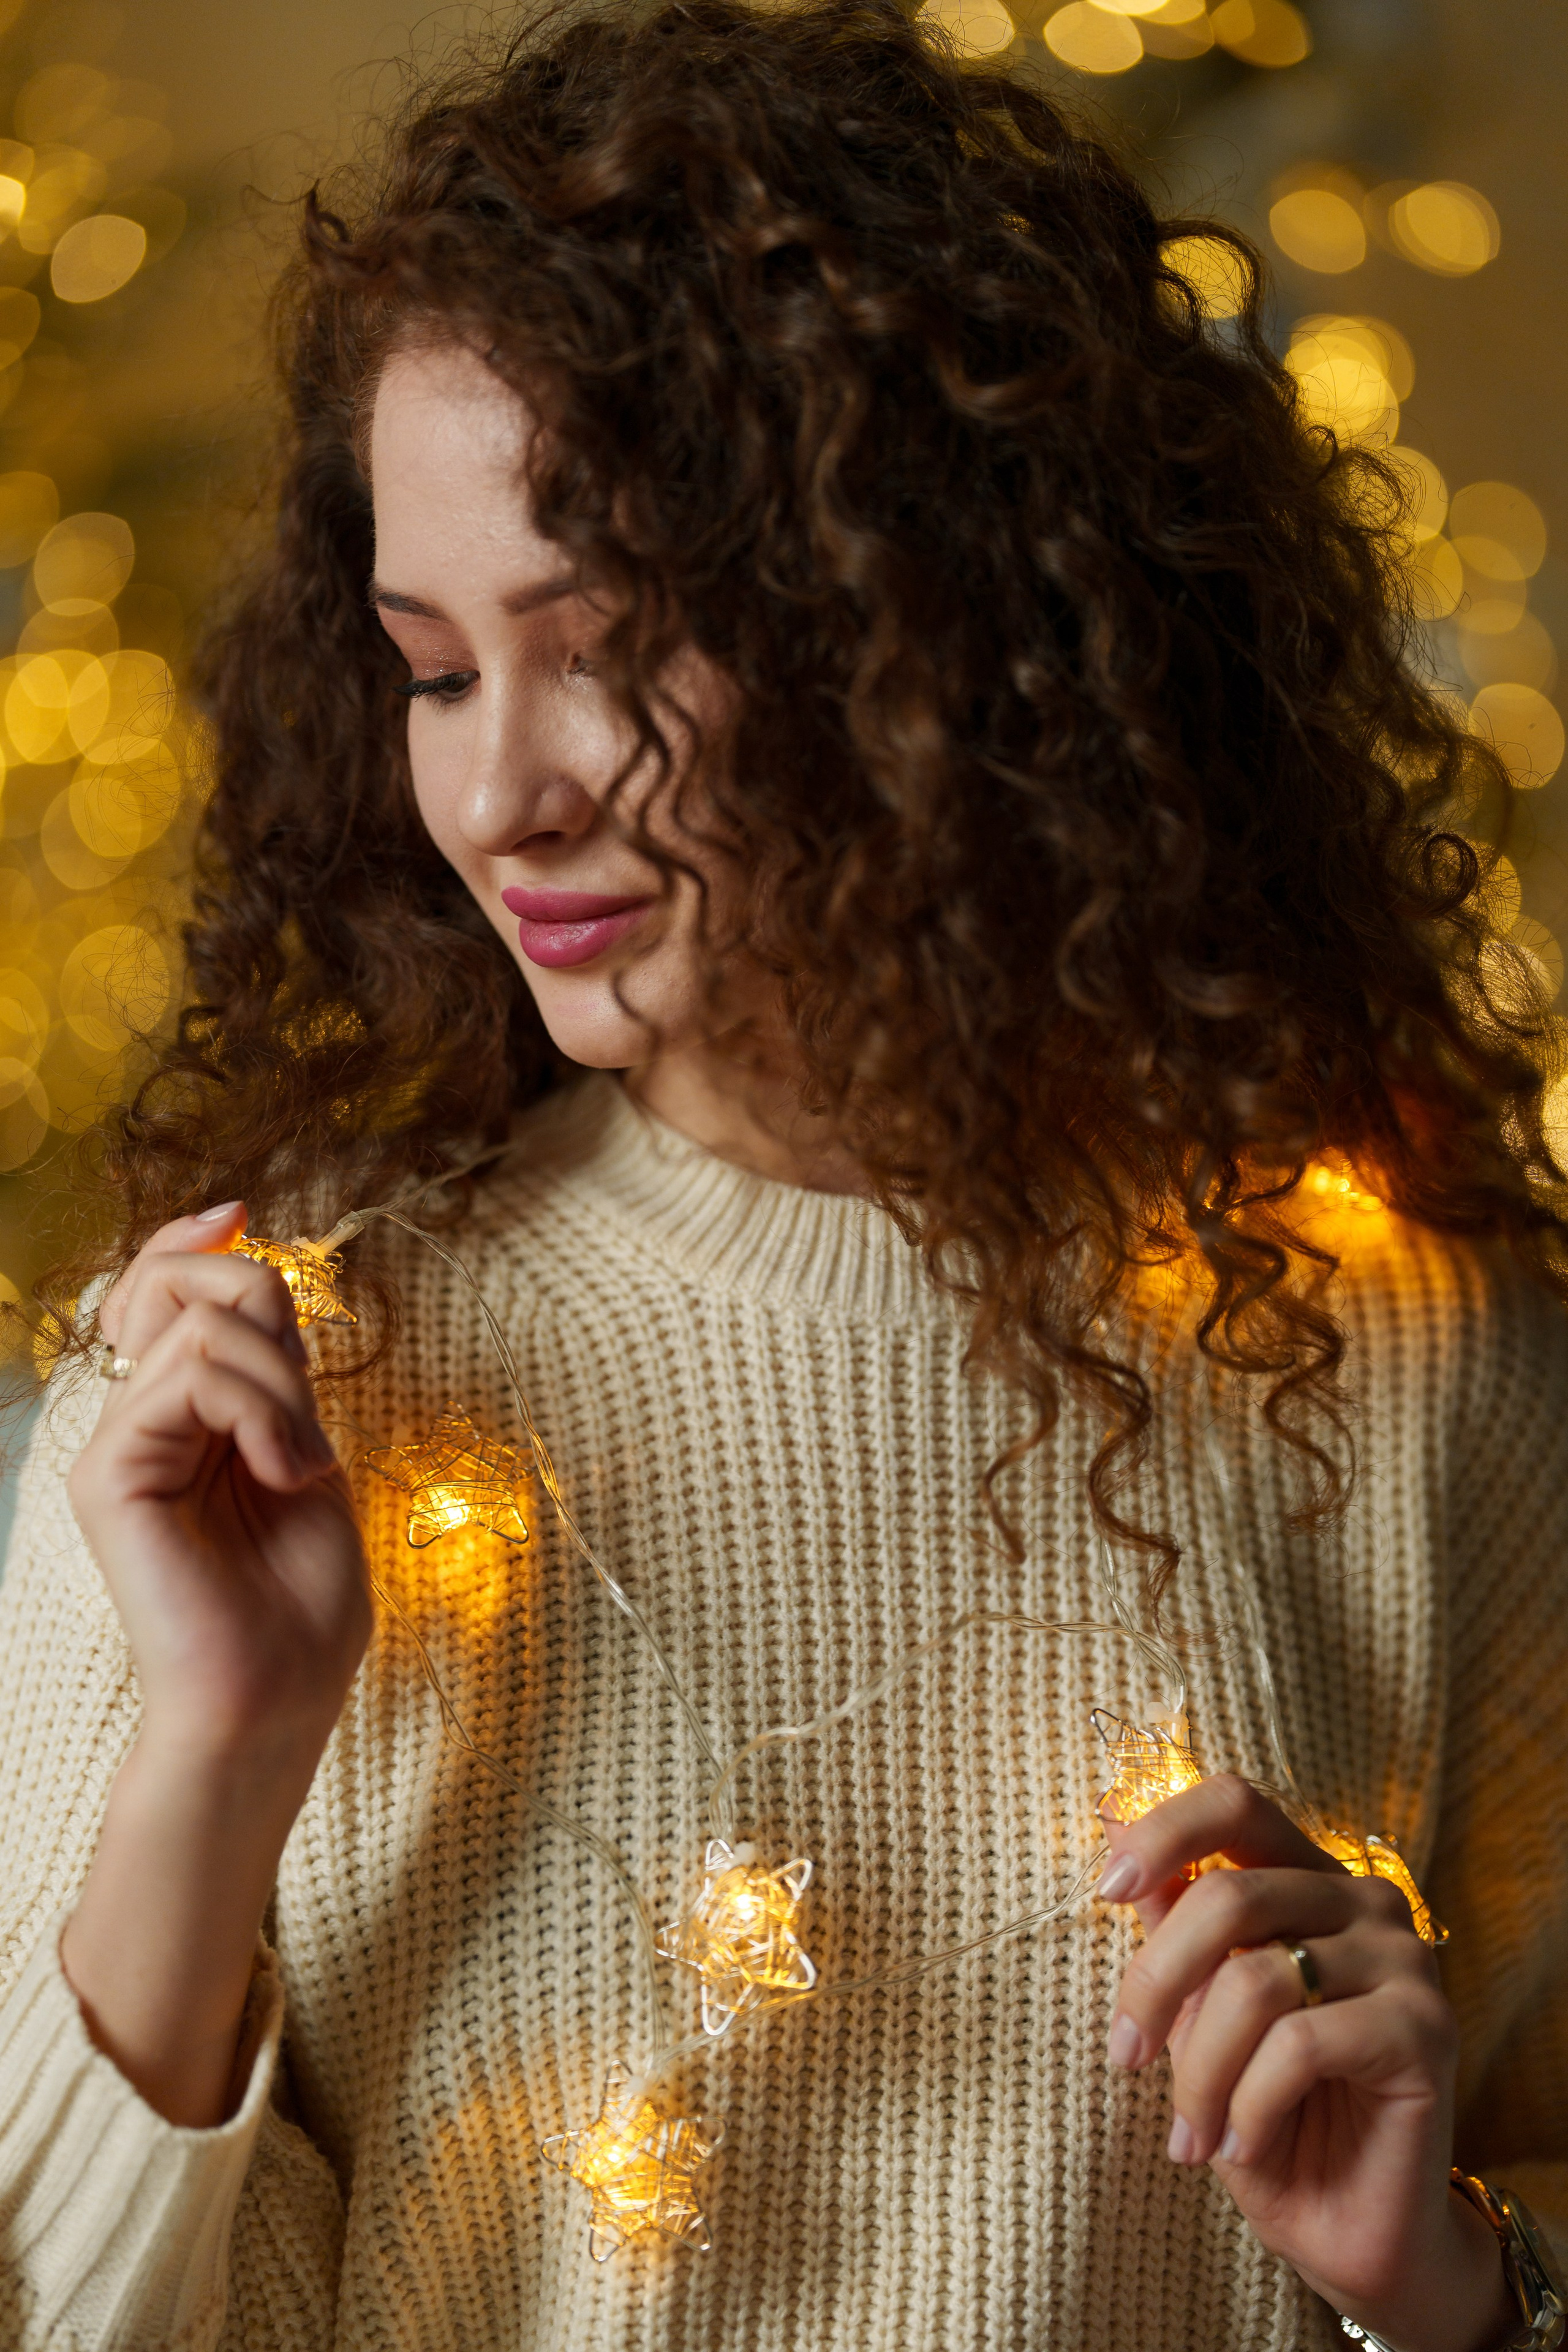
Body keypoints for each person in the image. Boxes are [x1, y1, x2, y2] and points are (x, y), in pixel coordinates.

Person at [1, 2, 1566, 2345]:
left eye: (606, 652)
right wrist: (222, 1746)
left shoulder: (1414, 1372)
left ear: (936, 638)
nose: (499, 793)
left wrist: (1446, 2290)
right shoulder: (264, 1389)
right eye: (434, 668)